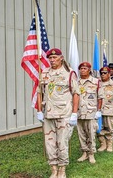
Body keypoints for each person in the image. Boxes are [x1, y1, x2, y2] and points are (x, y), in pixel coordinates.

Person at [36, 48, 80, 178]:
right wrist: (39, 110)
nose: (52, 60)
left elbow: (76, 94)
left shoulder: (69, 73)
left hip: (64, 113)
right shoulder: (44, 73)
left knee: (62, 142)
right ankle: (53, 169)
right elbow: (39, 92)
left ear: (61, 58)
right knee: (49, 142)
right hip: (48, 114)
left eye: (54, 58)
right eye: (50, 58)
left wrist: (74, 113)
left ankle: (62, 169)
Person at [76, 62, 103, 164]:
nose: (82, 70)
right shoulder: (76, 82)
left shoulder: (96, 82)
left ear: (89, 70)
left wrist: (98, 111)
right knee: (81, 134)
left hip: (91, 112)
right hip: (79, 113)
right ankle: (84, 152)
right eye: (81, 68)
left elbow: (100, 98)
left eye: (84, 68)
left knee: (91, 134)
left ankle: (91, 153)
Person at [97, 67, 113, 152]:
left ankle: (110, 144)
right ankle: (103, 144)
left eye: (105, 73)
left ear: (109, 74)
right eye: (101, 73)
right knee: (98, 128)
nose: (103, 74)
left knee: (110, 128)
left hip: (109, 110)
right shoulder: (97, 84)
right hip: (98, 111)